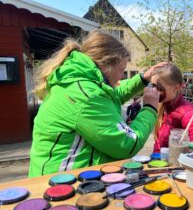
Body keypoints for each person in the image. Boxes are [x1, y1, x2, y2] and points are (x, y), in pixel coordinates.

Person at [29, 30, 166, 177]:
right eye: (121, 70)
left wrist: (143, 79)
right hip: (61, 182)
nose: (121, 77)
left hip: (51, 174)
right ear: (108, 66)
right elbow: (127, 144)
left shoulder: (76, 81)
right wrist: (150, 108)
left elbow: (112, 95)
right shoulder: (87, 97)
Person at [151, 64, 193, 153]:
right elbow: (158, 145)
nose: (154, 90)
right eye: (152, 85)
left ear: (176, 88)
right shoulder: (164, 108)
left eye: (159, 87)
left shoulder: (190, 115)